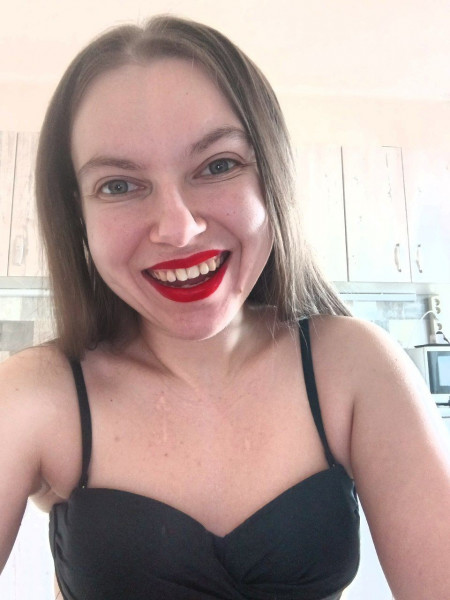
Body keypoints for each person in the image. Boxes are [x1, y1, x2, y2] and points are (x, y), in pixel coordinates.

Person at [0, 14, 449, 600]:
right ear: (77, 216)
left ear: (272, 179)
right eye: (119, 185)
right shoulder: (34, 395)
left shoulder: (355, 368)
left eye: (218, 166)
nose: (178, 228)